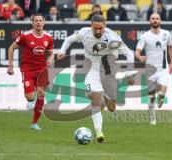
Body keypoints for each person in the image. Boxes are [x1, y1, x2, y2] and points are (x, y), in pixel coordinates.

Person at [57, 15, 134, 143]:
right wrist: (62, 50)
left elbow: (129, 53)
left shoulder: (113, 37)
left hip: (108, 69)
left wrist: (129, 73)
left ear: (105, 25)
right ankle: (99, 133)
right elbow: (69, 40)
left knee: (112, 108)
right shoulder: (84, 33)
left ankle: (105, 97)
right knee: (95, 100)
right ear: (91, 25)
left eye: (101, 28)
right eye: (95, 28)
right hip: (90, 68)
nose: (98, 31)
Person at [7, 14, 54, 130]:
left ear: (44, 23)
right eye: (36, 21)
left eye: (40, 20)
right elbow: (11, 48)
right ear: (32, 23)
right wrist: (10, 65)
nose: (38, 22)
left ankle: (34, 123)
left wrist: (50, 59)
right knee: (30, 98)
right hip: (28, 69)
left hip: (42, 69)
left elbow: (51, 52)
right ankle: (31, 101)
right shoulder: (25, 36)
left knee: (41, 93)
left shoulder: (48, 38)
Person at [135, 13, 172, 125]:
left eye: (157, 18)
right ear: (150, 21)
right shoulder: (144, 36)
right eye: (153, 18)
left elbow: (171, 47)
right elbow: (137, 52)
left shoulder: (166, 34)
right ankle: (153, 118)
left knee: (162, 91)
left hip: (163, 68)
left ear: (160, 21)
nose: (155, 20)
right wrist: (140, 57)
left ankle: (161, 97)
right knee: (151, 96)